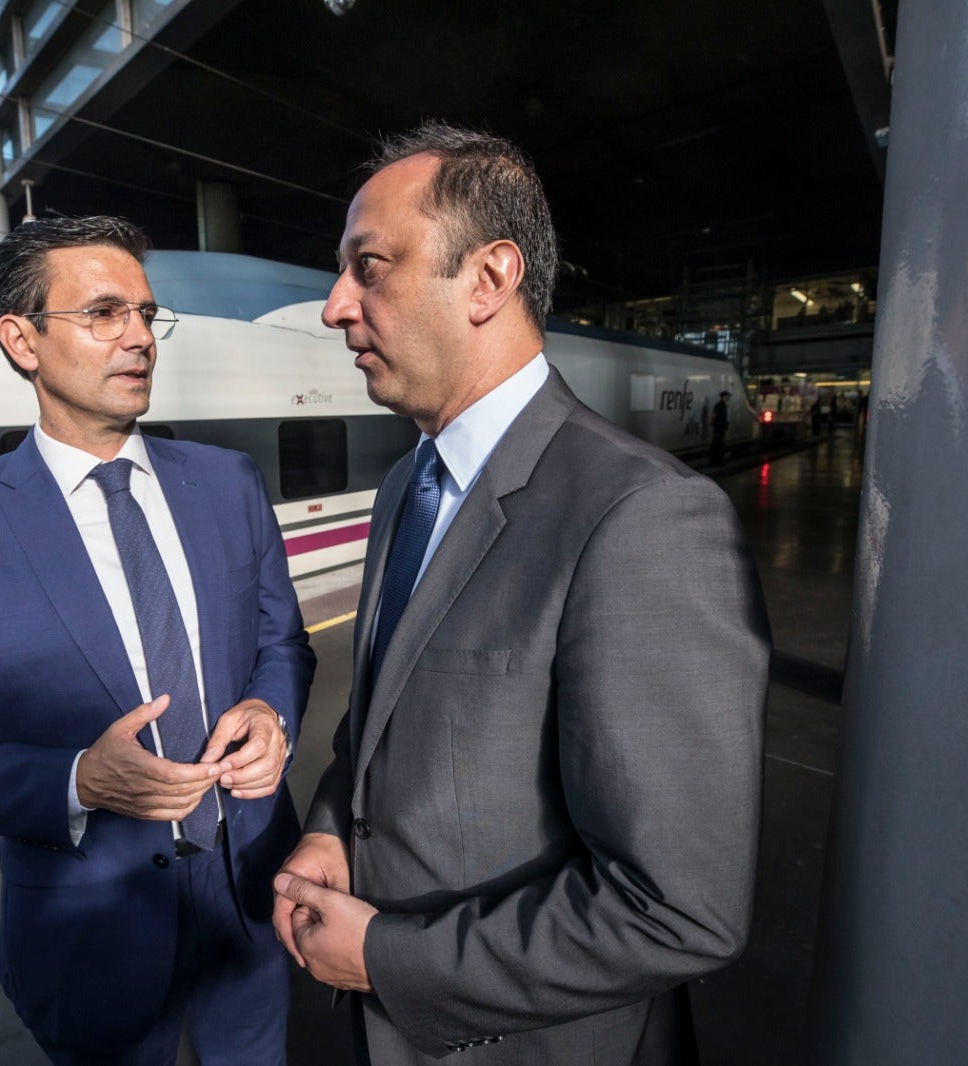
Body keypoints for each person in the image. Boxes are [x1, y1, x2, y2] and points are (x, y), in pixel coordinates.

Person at [271, 124, 770, 1064]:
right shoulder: (402, 491)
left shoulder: (644, 519)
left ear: (490, 279)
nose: (336, 305)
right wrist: (330, 830)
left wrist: (385, 956)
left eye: (368, 267)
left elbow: (677, 911)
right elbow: (372, 736)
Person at [0, 215, 315, 1065]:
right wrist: (79, 779)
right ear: (22, 339)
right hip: (92, 928)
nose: (139, 338)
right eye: (104, 314)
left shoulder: (226, 483)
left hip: (250, 884)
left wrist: (272, 710)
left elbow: (283, 643)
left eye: (148, 315)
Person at [709, 389, 731, 465]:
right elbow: (714, 416)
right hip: (718, 428)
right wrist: (716, 427)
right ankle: (716, 461)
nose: (728, 398)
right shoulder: (719, 406)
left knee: (719, 445)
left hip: (720, 428)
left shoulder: (723, 405)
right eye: (727, 396)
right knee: (717, 445)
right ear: (723, 397)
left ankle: (717, 461)